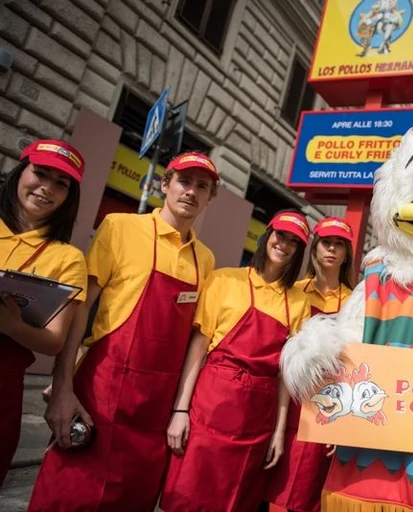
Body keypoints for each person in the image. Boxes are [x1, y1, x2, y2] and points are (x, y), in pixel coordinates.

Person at [28, 152, 219, 511]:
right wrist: (63, 384)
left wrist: (180, 410)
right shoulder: (120, 227)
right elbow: (81, 307)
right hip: (100, 391)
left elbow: (196, 338)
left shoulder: (204, 260)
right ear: (165, 184)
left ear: (210, 197)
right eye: (184, 181)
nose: (191, 192)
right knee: (69, 494)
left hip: (154, 411)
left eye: (202, 186)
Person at [161, 210, 312, 512]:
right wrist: (180, 410)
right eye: (281, 234)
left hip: (257, 421)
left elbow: (286, 374)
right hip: (209, 409)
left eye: (294, 242)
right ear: (267, 235)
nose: (284, 244)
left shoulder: (298, 302)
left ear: (298, 252)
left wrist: (279, 431)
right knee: (189, 497)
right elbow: (198, 349)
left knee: (236, 500)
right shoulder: (224, 280)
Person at [0, 140, 88, 487]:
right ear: (21, 172)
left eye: (61, 183)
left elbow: (54, 341)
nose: (47, 188)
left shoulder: (67, 259)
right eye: (40, 173)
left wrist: (9, 324)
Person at [264, 216, 357, 512]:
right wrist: (278, 427)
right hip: (291, 403)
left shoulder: (356, 302)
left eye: (339, 245)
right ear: (315, 248)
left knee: (316, 494)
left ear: (346, 254)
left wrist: (344, 427)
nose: (331, 249)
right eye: (326, 242)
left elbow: (358, 367)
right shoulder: (295, 292)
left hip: (332, 410)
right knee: (278, 487)